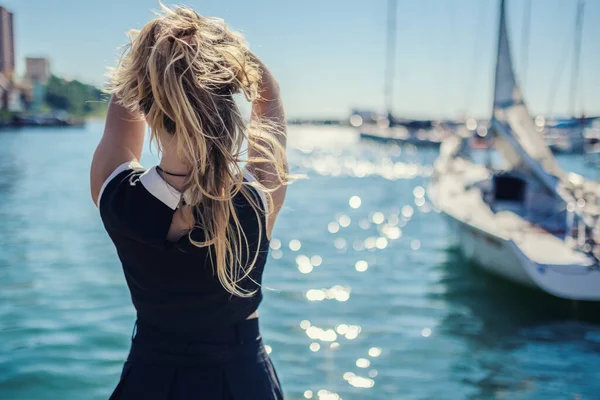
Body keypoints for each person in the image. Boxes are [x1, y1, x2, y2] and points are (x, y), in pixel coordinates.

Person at [90, 4, 288, 399]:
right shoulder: (257, 197)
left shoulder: (115, 196)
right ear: (227, 110)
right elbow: (269, 103)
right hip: (242, 381)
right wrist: (235, 52)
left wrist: (152, 53)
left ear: (146, 103)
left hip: (151, 377)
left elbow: (119, 121)